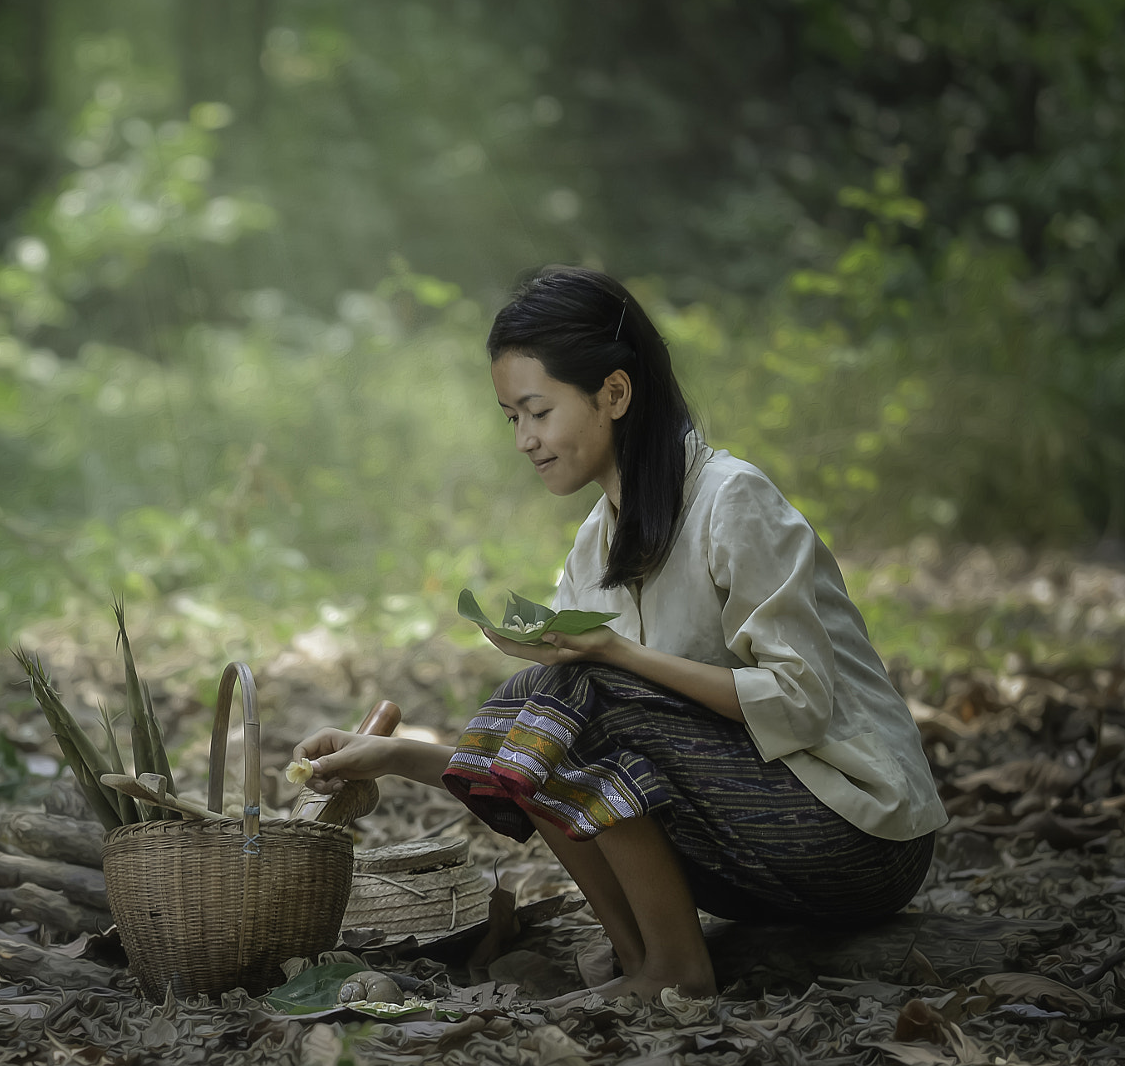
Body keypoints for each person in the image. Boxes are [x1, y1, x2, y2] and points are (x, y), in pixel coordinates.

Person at [294, 266, 946, 1000]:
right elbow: (543, 748)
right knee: (550, 695)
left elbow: (800, 703)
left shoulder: (734, 502)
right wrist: (392, 755)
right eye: (512, 417)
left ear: (614, 393)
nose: (524, 439)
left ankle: (673, 968)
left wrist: (617, 654)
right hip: (746, 851)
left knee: (577, 689)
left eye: (537, 411)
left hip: (857, 839)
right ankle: (641, 959)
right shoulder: (594, 545)